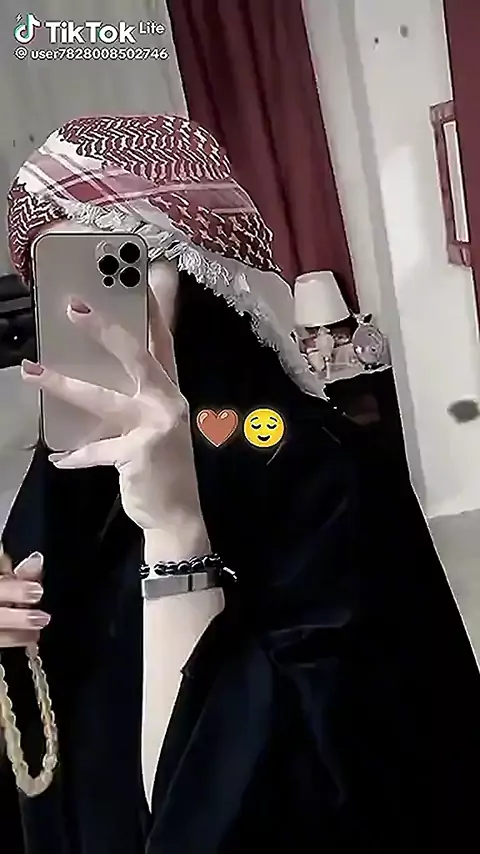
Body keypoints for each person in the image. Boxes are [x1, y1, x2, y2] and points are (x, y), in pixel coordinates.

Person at [1, 113, 480, 853]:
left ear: (201, 277)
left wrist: (175, 535)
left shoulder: (323, 470)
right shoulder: (64, 473)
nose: (84, 311)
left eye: (116, 266)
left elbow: (325, 788)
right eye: (56, 279)